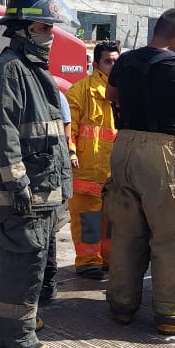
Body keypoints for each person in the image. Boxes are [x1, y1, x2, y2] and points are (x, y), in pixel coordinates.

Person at [0, 0, 73, 348]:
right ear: (21, 29)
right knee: (21, 264)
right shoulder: (10, 70)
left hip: (40, 190)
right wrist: (17, 181)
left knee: (33, 260)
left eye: (50, 28)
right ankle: (13, 336)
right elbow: (2, 134)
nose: (50, 35)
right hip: (24, 193)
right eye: (43, 27)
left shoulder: (33, 70)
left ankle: (25, 319)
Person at [103, 8, 175, 335]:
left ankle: (121, 306)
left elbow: (111, 96)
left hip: (124, 148)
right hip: (165, 154)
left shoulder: (125, 62)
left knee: (126, 232)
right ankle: (172, 315)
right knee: (172, 236)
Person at [0, 90, 69, 307]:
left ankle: (47, 282)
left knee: (46, 231)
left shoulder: (55, 95)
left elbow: (63, 139)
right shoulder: (9, 91)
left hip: (42, 174)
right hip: (9, 171)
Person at [65, 40, 121, 279]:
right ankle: (88, 261)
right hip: (86, 172)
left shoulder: (122, 92)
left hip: (113, 173)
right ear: (96, 64)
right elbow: (69, 128)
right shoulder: (81, 91)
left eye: (116, 61)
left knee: (111, 221)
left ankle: (107, 260)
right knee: (88, 220)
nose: (112, 65)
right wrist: (71, 152)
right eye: (107, 61)